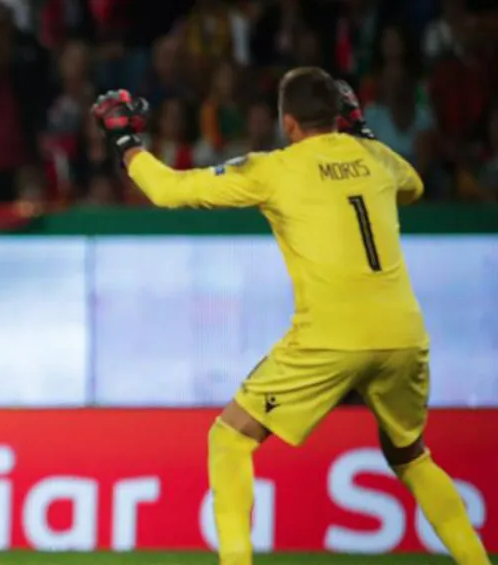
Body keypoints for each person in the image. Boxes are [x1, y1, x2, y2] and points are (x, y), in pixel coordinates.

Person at [91, 68, 492, 565]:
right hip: (404, 335)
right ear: (338, 115)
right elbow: (414, 187)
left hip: (330, 338)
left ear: (288, 122)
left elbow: (169, 190)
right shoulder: (376, 157)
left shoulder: (276, 168)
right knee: (411, 456)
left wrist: (126, 141)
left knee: (230, 437)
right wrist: (361, 132)